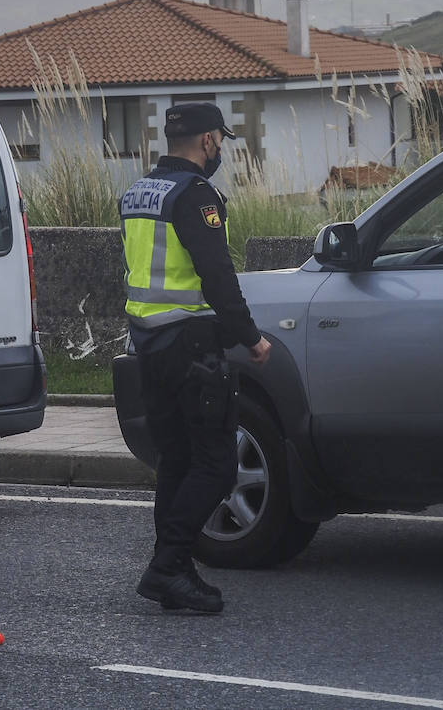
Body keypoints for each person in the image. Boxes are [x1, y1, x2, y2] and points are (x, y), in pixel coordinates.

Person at [118, 102, 272, 613]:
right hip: (190, 345)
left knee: (176, 463)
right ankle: (166, 566)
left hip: (149, 343)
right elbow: (216, 273)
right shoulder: (195, 195)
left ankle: (177, 573)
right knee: (216, 463)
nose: (220, 151)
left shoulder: (139, 191)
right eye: (220, 142)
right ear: (208, 141)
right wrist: (250, 336)